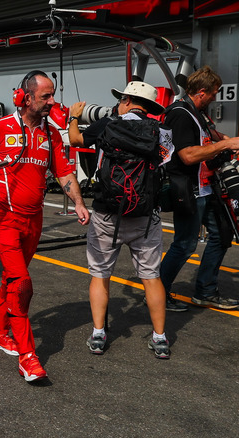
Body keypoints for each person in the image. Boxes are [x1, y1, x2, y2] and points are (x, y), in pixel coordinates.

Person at [0, 70, 89, 383]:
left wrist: (79, 203)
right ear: (24, 97)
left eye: (52, 95)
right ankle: (28, 356)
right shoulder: (0, 129)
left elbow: (64, 173)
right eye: (45, 96)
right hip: (3, 217)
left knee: (11, 277)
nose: (52, 102)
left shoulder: (51, 135)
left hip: (34, 219)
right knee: (21, 282)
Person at [69, 81, 174, 358]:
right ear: (149, 107)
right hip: (144, 214)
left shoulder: (107, 124)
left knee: (100, 274)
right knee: (151, 277)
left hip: (107, 212)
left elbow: (76, 141)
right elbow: (163, 163)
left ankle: (99, 334)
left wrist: (73, 117)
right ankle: (160, 339)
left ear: (127, 100)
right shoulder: (161, 132)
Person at [159, 66, 239, 311]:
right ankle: (157, 293)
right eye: (214, 93)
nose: (216, 97)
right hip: (190, 189)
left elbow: (209, 135)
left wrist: (226, 141)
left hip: (206, 187)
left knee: (222, 236)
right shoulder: (181, 114)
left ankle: (205, 290)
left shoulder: (196, 112)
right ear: (202, 92)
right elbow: (187, 155)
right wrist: (226, 146)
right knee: (185, 244)